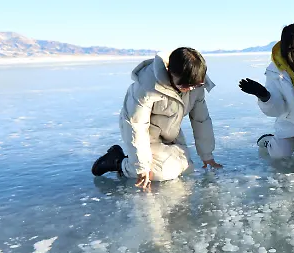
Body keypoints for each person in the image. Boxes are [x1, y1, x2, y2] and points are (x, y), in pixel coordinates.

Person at [92, 47, 222, 190]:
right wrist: (141, 166)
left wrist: (207, 154)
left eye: (196, 85)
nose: (191, 89)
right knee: (159, 173)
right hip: (144, 130)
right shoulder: (147, 86)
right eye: (185, 85)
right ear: (171, 72)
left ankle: (139, 161)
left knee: (186, 168)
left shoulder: (195, 83)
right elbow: (137, 126)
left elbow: (201, 120)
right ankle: (118, 162)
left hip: (170, 129)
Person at [238, 20, 294, 158]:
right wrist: (264, 96)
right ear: (287, 49)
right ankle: (269, 141)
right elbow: (277, 110)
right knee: (279, 155)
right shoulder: (275, 72)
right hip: (290, 128)